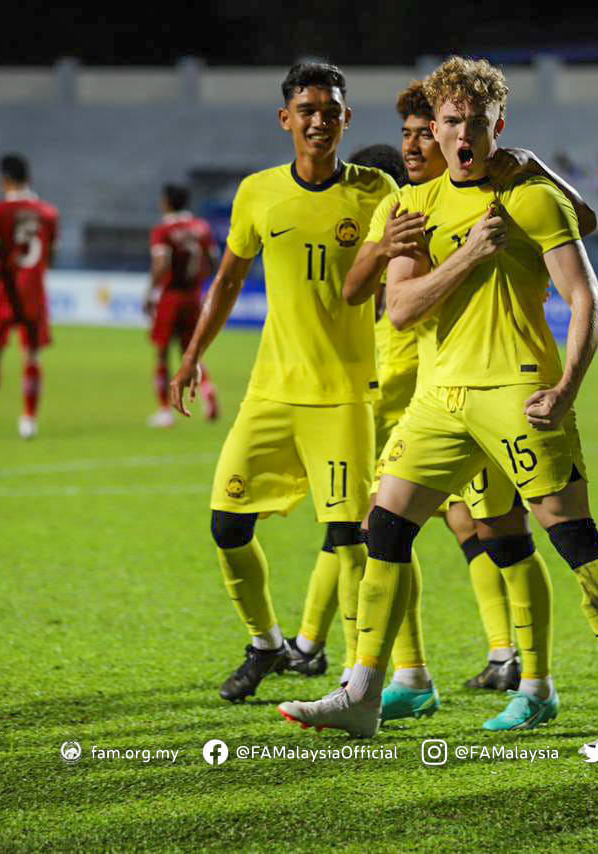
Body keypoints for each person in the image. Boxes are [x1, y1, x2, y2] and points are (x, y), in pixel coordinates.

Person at [280, 57, 598, 758]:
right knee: (384, 528)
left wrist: (567, 387)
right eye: (449, 122)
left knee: (570, 536)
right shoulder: (411, 206)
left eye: (474, 123)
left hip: (518, 392)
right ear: (435, 125)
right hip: (439, 399)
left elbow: (588, 301)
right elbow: (396, 309)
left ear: (498, 127)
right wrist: (467, 257)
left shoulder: (532, 198)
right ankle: (365, 693)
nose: (460, 136)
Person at [169, 62, 397, 704]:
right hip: (271, 390)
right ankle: (267, 643)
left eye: (331, 109)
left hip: (346, 395)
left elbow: (407, 272)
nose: (319, 119)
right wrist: (193, 355)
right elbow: (228, 280)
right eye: (307, 109)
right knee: (227, 525)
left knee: (349, 540)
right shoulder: (257, 194)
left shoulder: (377, 190)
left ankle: (358, 680)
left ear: (347, 119)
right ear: (286, 118)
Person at [0, 153, 58, 440]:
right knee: (31, 354)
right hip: (33, 292)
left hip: (5, 292)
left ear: (4, 180)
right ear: (28, 178)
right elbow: (50, 254)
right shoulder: (48, 213)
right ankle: (29, 420)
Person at [145, 183, 219, 427]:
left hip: (171, 297)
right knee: (191, 352)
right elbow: (212, 259)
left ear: (166, 202)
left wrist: (150, 291)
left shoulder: (163, 230)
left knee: (163, 352)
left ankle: (165, 411)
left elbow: (161, 264)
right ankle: (207, 392)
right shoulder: (201, 228)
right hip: (193, 296)